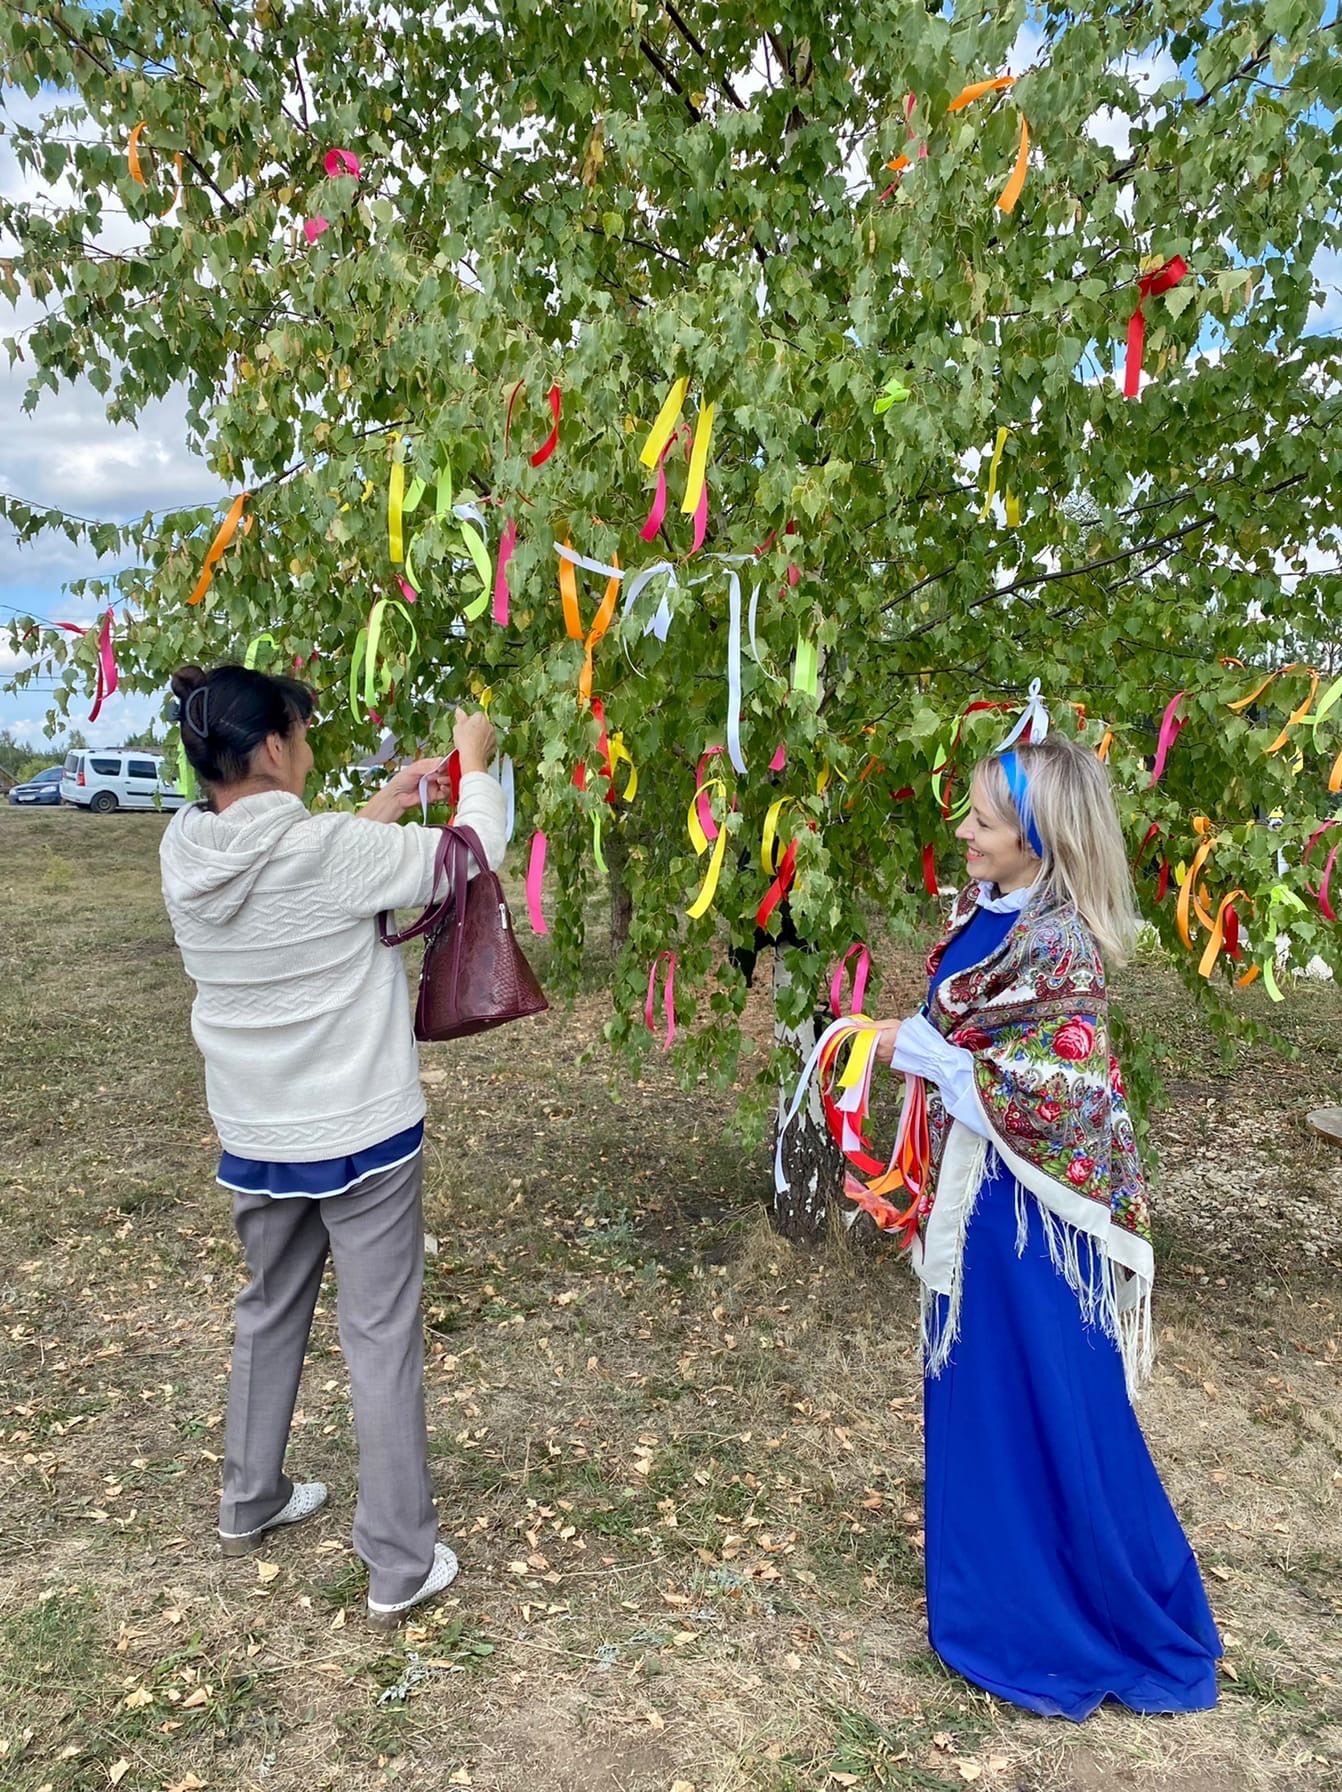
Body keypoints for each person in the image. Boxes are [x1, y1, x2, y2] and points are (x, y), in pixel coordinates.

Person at [869, 728, 1221, 1721]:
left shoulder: (1060, 944)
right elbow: (968, 1033)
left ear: (1036, 836)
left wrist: (927, 1056)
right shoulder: (989, 910)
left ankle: (1088, 1609)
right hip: (981, 1201)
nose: (964, 829)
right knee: (984, 1395)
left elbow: (1058, 1097)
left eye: (983, 818)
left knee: (1055, 1401)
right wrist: (916, 1049)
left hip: (1036, 1222)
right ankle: (1000, 1604)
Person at [159, 663, 507, 1631]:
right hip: (361, 1138)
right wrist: (471, 766)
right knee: (381, 1337)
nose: (308, 751)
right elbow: (471, 853)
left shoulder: (184, 850)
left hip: (257, 1136)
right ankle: (398, 1560)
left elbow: (283, 864)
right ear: (272, 748)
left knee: (268, 1311)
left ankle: (248, 1497)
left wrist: (376, 812)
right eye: (303, 736)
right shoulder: (329, 854)